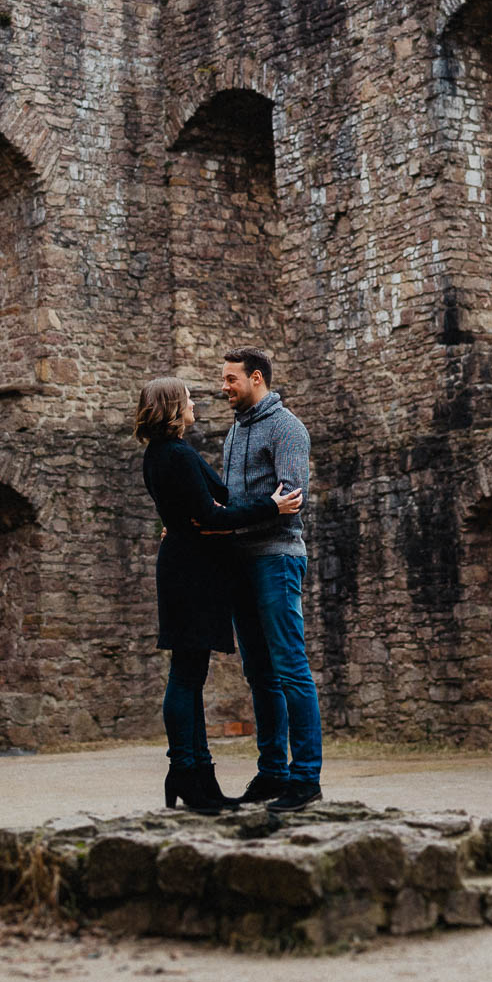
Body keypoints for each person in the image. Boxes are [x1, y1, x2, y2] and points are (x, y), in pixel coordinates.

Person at [134, 374, 302, 814]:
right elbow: (211, 513)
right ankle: (187, 771)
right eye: (188, 400)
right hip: (192, 572)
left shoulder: (160, 455)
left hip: (187, 565)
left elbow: (204, 510)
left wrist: (212, 516)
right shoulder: (177, 454)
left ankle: (197, 775)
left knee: (190, 675)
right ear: (172, 407)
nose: (195, 405)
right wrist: (272, 507)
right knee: (187, 677)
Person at [220, 347, 324, 811]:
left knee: (290, 669)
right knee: (259, 673)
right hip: (238, 563)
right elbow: (228, 500)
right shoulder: (232, 433)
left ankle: (306, 778)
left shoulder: (288, 428)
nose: (223, 387)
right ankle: (272, 773)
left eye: (230, 379)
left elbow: (291, 501)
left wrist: (233, 519)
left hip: (277, 559)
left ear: (256, 378)